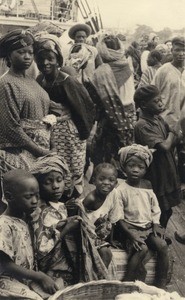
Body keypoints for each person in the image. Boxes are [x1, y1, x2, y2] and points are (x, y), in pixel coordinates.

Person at [30, 154, 109, 286]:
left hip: (68, 259)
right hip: (53, 264)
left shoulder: (62, 205)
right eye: (48, 182)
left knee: (104, 250)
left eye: (59, 180)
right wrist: (67, 228)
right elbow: (42, 248)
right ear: (38, 185)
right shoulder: (39, 210)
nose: (55, 186)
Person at [34, 33, 95, 197]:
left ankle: (71, 201)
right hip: (48, 132)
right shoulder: (40, 79)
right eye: (41, 59)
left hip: (69, 134)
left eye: (50, 58)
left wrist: (82, 135)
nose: (45, 63)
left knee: (71, 169)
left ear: (58, 59)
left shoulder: (68, 81)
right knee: (51, 168)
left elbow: (86, 108)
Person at [0, 29, 54, 174]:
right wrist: (40, 151)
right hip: (20, 154)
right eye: (21, 52)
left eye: (30, 53)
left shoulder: (33, 81)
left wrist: (50, 147)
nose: (27, 57)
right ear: (9, 56)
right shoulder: (6, 84)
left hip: (42, 148)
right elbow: (10, 127)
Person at [0, 169, 59, 299]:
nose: (34, 201)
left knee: (57, 293)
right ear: (9, 197)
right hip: (6, 280)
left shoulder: (28, 218)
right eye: (28, 196)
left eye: (37, 196)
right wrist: (38, 276)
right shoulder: (4, 224)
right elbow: (4, 264)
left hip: (26, 278)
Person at [117, 144, 169, 289]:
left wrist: (155, 223)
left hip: (147, 227)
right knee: (142, 249)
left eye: (140, 167)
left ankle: (161, 282)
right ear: (123, 167)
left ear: (146, 169)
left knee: (163, 246)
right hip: (129, 229)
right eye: (131, 165)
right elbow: (119, 217)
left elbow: (155, 208)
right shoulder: (120, 190)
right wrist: (131, 235)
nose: (135, 170)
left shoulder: (147, 186)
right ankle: (126, 282)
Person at [134, 85, 182, 228]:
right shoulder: (142, 125)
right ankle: (154, 238)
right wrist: (173, 131)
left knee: (168, 210)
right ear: (143, 105)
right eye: (156, 101)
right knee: (158, 209)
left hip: (167, 169)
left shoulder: (158, 119)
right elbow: (165, 146)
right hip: (157, 174)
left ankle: (159, 235)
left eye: (161, 100)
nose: (161, 104)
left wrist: (173, 135)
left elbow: (174, 140)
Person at [79, 163, 123, 268]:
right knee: (106, 253)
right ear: (94, 181)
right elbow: (81, 222)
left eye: (111, 180)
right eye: (102, 179)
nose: (106, 183)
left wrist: (111, 240)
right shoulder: (91, 200)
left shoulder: (114, 194)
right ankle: (99, 278)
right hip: (85, 232)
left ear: (116, 183)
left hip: (100, 233)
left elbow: (112, 219)